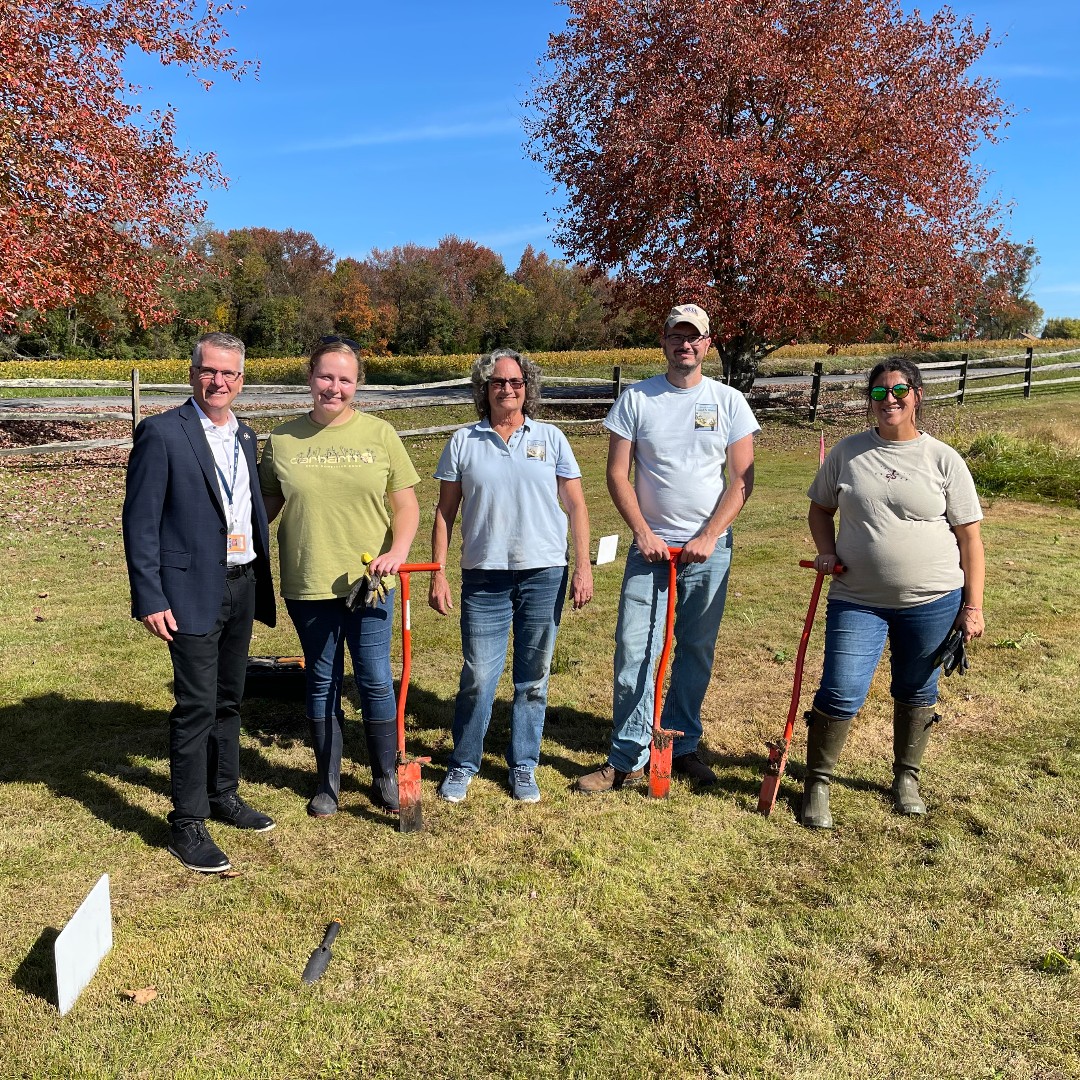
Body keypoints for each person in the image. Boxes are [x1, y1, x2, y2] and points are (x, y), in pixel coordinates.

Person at [576, 304, 759, 793]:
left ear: (707, 343)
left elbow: (742, 478)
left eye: (694, 337)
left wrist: (709, 535)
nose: (686, 345)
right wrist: (642, 532)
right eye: (677, 335)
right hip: (650, 550)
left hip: (709, 551)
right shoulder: (637, 399)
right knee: (636, 649)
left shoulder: (729, 401)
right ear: (664, 341)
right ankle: (628, 755)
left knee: (695, 650)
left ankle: (681, 745)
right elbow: (617, 473)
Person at [802, 357, 985, 828]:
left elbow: (970, 539)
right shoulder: (847, 453)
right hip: (857, 597)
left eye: (899, 390)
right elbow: (820, 509)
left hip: (934, 600)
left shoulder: (943, 458)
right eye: (879, 393)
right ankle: (817, 782)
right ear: (871, 400)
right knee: (841, 690)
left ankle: (907, 776)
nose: (890, 400)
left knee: (917, 688)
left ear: (917, 395)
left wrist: (974, 606)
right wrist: (825, 551)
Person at [122, 332, 277, 874]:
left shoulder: (246, 436)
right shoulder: (162, 433)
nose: (220, 382)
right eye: (210, 371)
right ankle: (187, 823)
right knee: (196, 707)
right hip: (187, 592)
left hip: (241, 583)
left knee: (230, 699)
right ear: (192, 374)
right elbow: (139, 522)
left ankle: (223, 794)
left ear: (241, 379)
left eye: (230, 374)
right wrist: (150, 596)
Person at [259, 340, 420, 818]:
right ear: (310, 378)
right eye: (326, 377)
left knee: (373, 678)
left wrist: (398, 551)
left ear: (357, 384)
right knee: (322, 678)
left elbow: (407, 504)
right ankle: (327, 781)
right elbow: (264, 507)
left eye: (345, 379)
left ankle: (384, 775)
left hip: (369, 580)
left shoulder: (380, 434)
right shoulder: (283, 440)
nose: (334, 387)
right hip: (308, 579)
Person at [429, 348, 593, 804]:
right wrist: (438, 572)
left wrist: (582, 567)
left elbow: (577, 505)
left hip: (544, 572)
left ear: (528, 389)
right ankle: (463, 763)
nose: (508, 389)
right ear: (485, 389)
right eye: (499, 382)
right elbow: (445, 512)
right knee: (479, 676)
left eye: (516, 382)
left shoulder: (552, 437)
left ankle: (523, 764)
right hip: (484, 577)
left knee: (533, 677)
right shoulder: (465, 441)